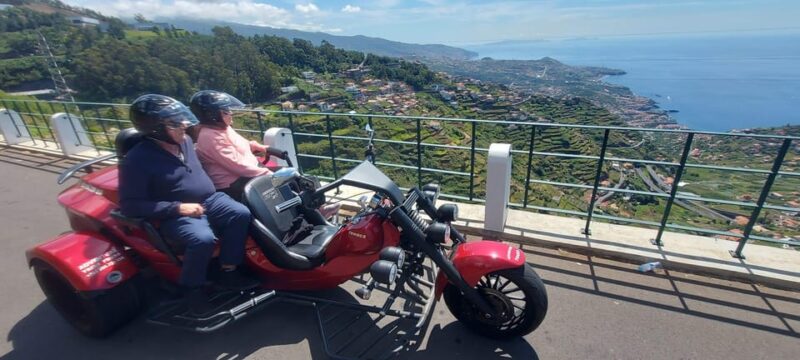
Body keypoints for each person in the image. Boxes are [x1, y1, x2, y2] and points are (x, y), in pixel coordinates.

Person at [119, 94, 258, 299]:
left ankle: (228, 270)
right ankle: (192, 288)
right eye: (175, 123)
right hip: (177, 213)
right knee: (202, 239)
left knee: (241, 213)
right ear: (156, 129)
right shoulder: (136, 160)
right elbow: (129, 205)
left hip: (210, 199)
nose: (184, 125)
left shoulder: (184, 142)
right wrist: (177, 208)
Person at [190, 90, 340, 217]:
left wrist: (259, 147)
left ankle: (317, 210)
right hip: (234, 183)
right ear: (212, 116)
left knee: (296, 176)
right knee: (289, 179)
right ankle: (314, 213)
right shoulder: (209, 137)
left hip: (248, 173)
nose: (230, 113)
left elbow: (241, 143)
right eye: (225, 111)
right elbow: (237, 166)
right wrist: (268, 174)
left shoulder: (222, 128)